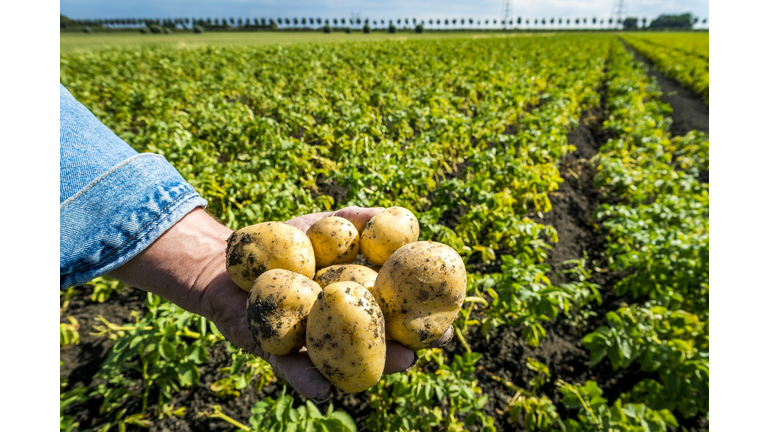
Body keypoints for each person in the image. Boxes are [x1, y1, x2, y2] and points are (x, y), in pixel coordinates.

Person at [59, 83, 452, 402]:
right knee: (334, 288)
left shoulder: (343, 279)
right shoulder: (311, 266)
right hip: (309, 285)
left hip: (335, 292)